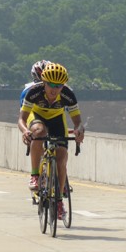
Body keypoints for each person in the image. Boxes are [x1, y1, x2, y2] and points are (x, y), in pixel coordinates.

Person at [17, 62, 84, 221]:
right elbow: (21, 119)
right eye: (51, 85)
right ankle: (35, 175)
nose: (54, 89)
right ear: (43, 82)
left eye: (59, 86)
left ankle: (59, 202)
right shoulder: (33, 92)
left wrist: (79, 130)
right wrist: (26, 131)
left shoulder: (68, 94)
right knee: (39, 132)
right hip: (37, 116)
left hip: (57, 119)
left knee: (61, 158)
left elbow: (78, 122)